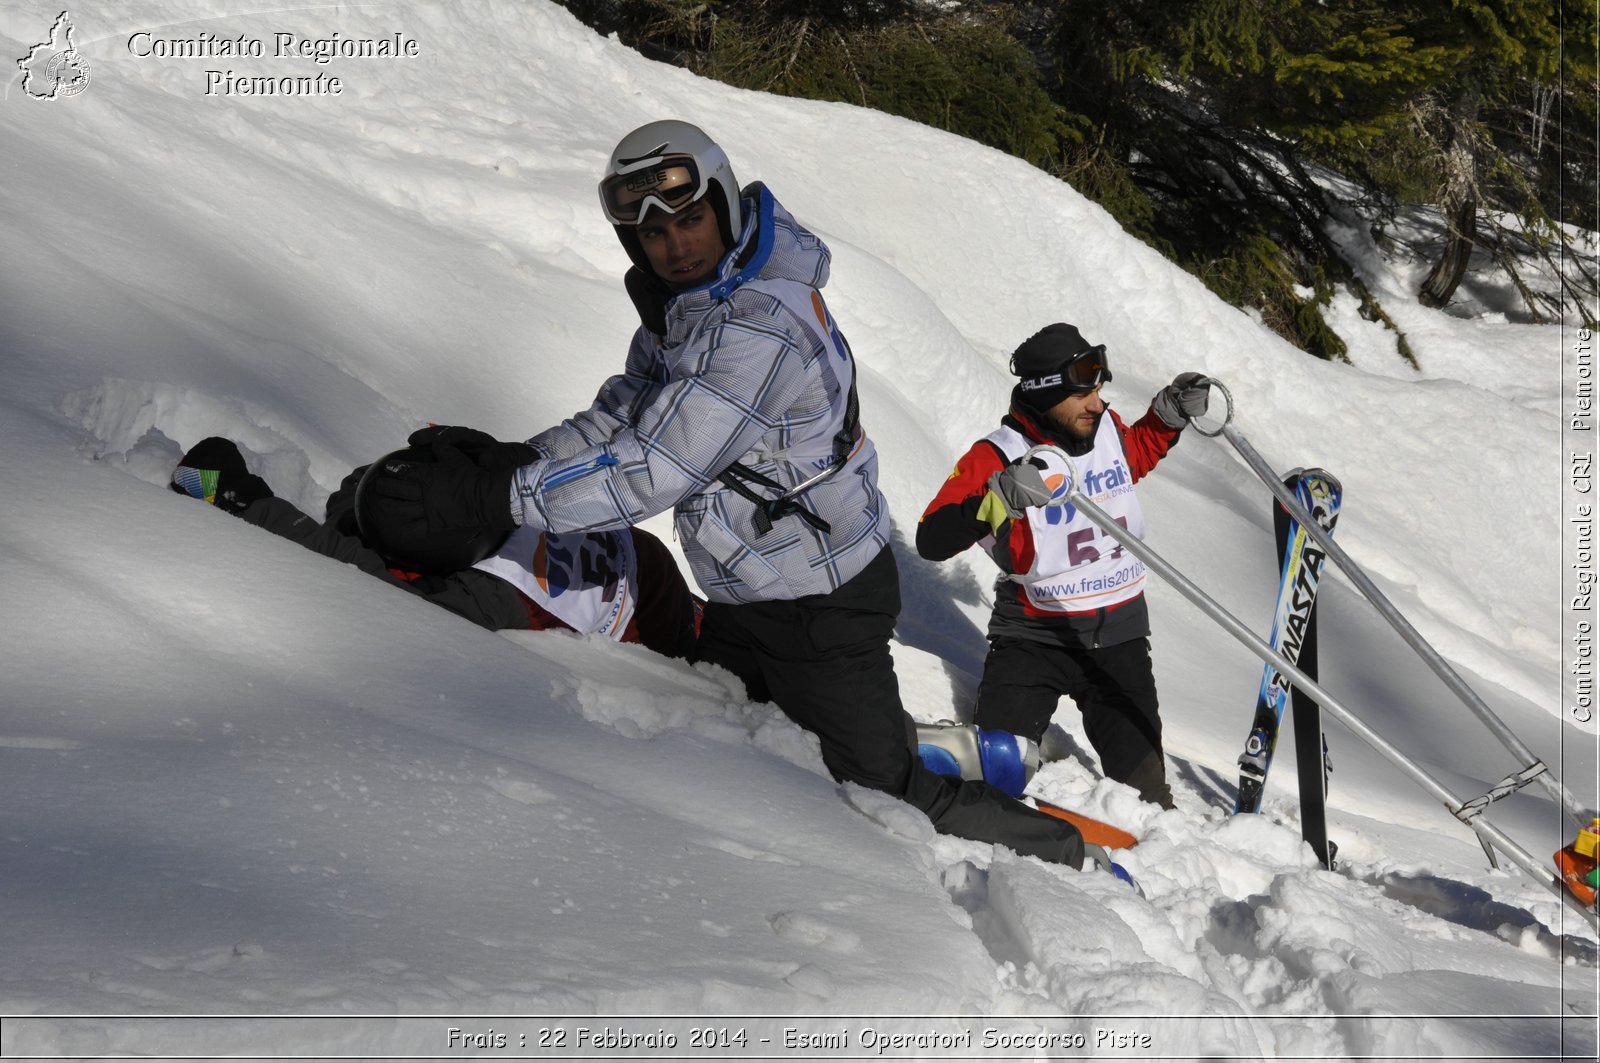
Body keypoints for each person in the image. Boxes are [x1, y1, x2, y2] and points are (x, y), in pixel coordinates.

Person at [364, 119, 1098, 870]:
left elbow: (655, 466)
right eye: (654, 235)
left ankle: (1067, 852)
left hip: (822, 604)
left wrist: (497, 498)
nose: (677, 244)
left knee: (886, 795)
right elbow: (626, 412)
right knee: (746, 730)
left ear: (723, 203)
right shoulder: (693, 305)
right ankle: (902, 737)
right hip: (753, 590)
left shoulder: (756, 329)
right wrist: (517, 459)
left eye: (690, 219)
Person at [916, 323, 1209, 809]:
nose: (1097, 403)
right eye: (1082, 395)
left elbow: (1132, 455)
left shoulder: (1104, 428)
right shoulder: (999, 455)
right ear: (1044, 393)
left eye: (1098, 390)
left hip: (1120, 642)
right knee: (994, 776)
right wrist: (1000, 497)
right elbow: (932, 538)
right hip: (1034, 639)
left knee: (1147, 802)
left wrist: (1168, 415)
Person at [169, 434, 698, 660]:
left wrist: (246, 504)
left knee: (402, 585)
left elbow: (362, 583)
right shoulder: (499, 489)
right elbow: (387, 485)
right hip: (650, 571)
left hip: (661, 625)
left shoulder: (493, 595)